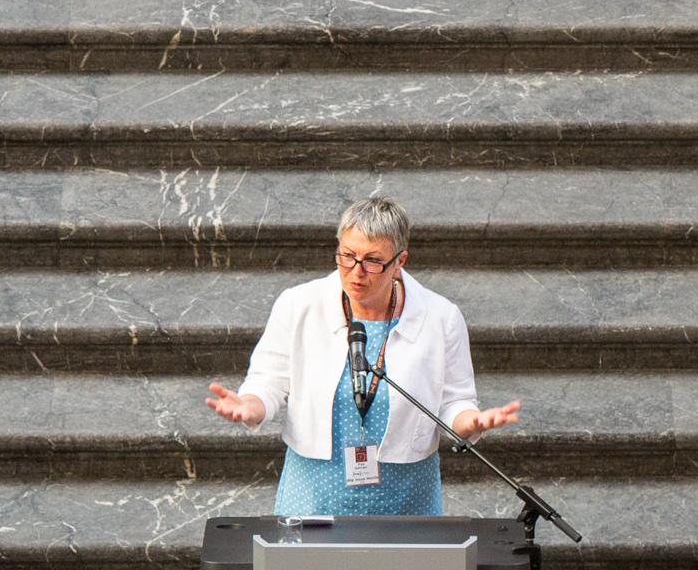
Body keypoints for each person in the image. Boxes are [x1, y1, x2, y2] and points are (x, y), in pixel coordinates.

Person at [204, 196, 522, 517]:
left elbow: (455, 402)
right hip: (315, 493)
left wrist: (472, 422)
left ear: (400, 262)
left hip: (405, 497)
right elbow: (267, 383)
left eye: (372, 261)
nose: (356, 272)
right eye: (347, 256)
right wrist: (249, 405)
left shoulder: (441, 317)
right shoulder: (298, 305)